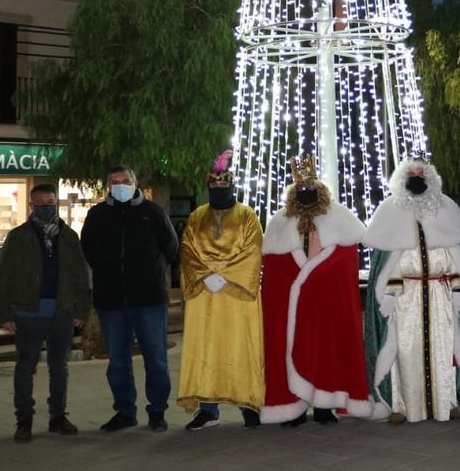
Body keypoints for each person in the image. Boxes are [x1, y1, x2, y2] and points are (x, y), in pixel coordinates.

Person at [363, 156, 460, 423]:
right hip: (405, 295)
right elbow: (388, 264)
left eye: (421, 173)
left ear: (431, 178)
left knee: (444, 346)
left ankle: (447, 403)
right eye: (411, 173)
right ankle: (401, 406)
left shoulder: (445, 208)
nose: (417, 177)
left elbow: (456, 256)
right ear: (402, 178)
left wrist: (459, 288)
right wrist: (389, 293)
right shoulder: (390, 211)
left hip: (440, 291)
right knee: (405, 348)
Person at [258, 154, 372, 425]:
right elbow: (274, 268)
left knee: (327, 349)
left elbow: (345, 257)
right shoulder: (280, 220)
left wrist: (320, 275)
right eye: (300, 190)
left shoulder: (337, 215)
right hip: (292, 304)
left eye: (310, 189)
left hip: (327, 300)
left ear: (319, 190)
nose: (306, 193)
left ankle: (324, 405)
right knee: (289, 346)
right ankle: (293, 407)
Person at [82, 165, 180, 433]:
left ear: (135, 183)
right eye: (115, 181)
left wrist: (151, 270)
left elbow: (171, 247)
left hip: (148, 298)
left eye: (125, 181)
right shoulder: (97, 214)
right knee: (118, 360)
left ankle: (157, 411)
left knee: (156, 357)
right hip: (111, 300)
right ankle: (125, 411)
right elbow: (88, 248)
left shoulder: (152, 212)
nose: (120, 185)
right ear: (108, 185)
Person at [177, 151, 266, 431]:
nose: (218, 189)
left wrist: (226, 276)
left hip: (236, 292)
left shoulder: (247, 215)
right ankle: (208, 410)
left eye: (223, 185)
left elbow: (253, 250)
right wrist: (205, 276)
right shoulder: (196, 217)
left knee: (240, 346)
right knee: (206, 348)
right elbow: (187, 250)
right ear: (208, 187)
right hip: (205, 293)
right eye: (213, 186)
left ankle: (247, 404)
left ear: (231, 186)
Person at [0, 184, 91, 443]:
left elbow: (81, 276)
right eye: (41, 203)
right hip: (28, 313)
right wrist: (5, 314)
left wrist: (81, 309)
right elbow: (4, 278)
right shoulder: (18, 237)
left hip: (62, 312)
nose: (47, 206)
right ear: (31, 206)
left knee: (59, 367)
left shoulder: (69, 236)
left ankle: (57, 416)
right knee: (25, 367)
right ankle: (24, 420)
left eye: (50, 202)